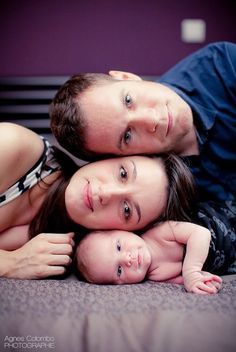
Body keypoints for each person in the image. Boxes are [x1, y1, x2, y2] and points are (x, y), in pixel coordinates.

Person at [0, 122, 195, 279]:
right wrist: (11, 263)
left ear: (126, 231)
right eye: (123, 173)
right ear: (110, 156)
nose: (106, 194)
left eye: (127, 210)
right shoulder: (14, 146)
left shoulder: (56, 253)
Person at [50, 41, 236, 203]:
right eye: (128, 136)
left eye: (128, 100)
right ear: (121, 158)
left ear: (126, 77)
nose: (152, 119)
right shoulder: (156, 195)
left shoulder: (224, 65)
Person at [75, 216, 235, 294]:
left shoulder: (158, 232)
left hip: (225, 221)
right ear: (120, 285)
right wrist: (202, 280)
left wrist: (191, 272)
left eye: (118, 247)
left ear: (121, 230)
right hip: (230, 258)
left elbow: (201, 233)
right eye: (118, 270)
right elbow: (187, 281)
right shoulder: (155, 278)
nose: (126, 259)